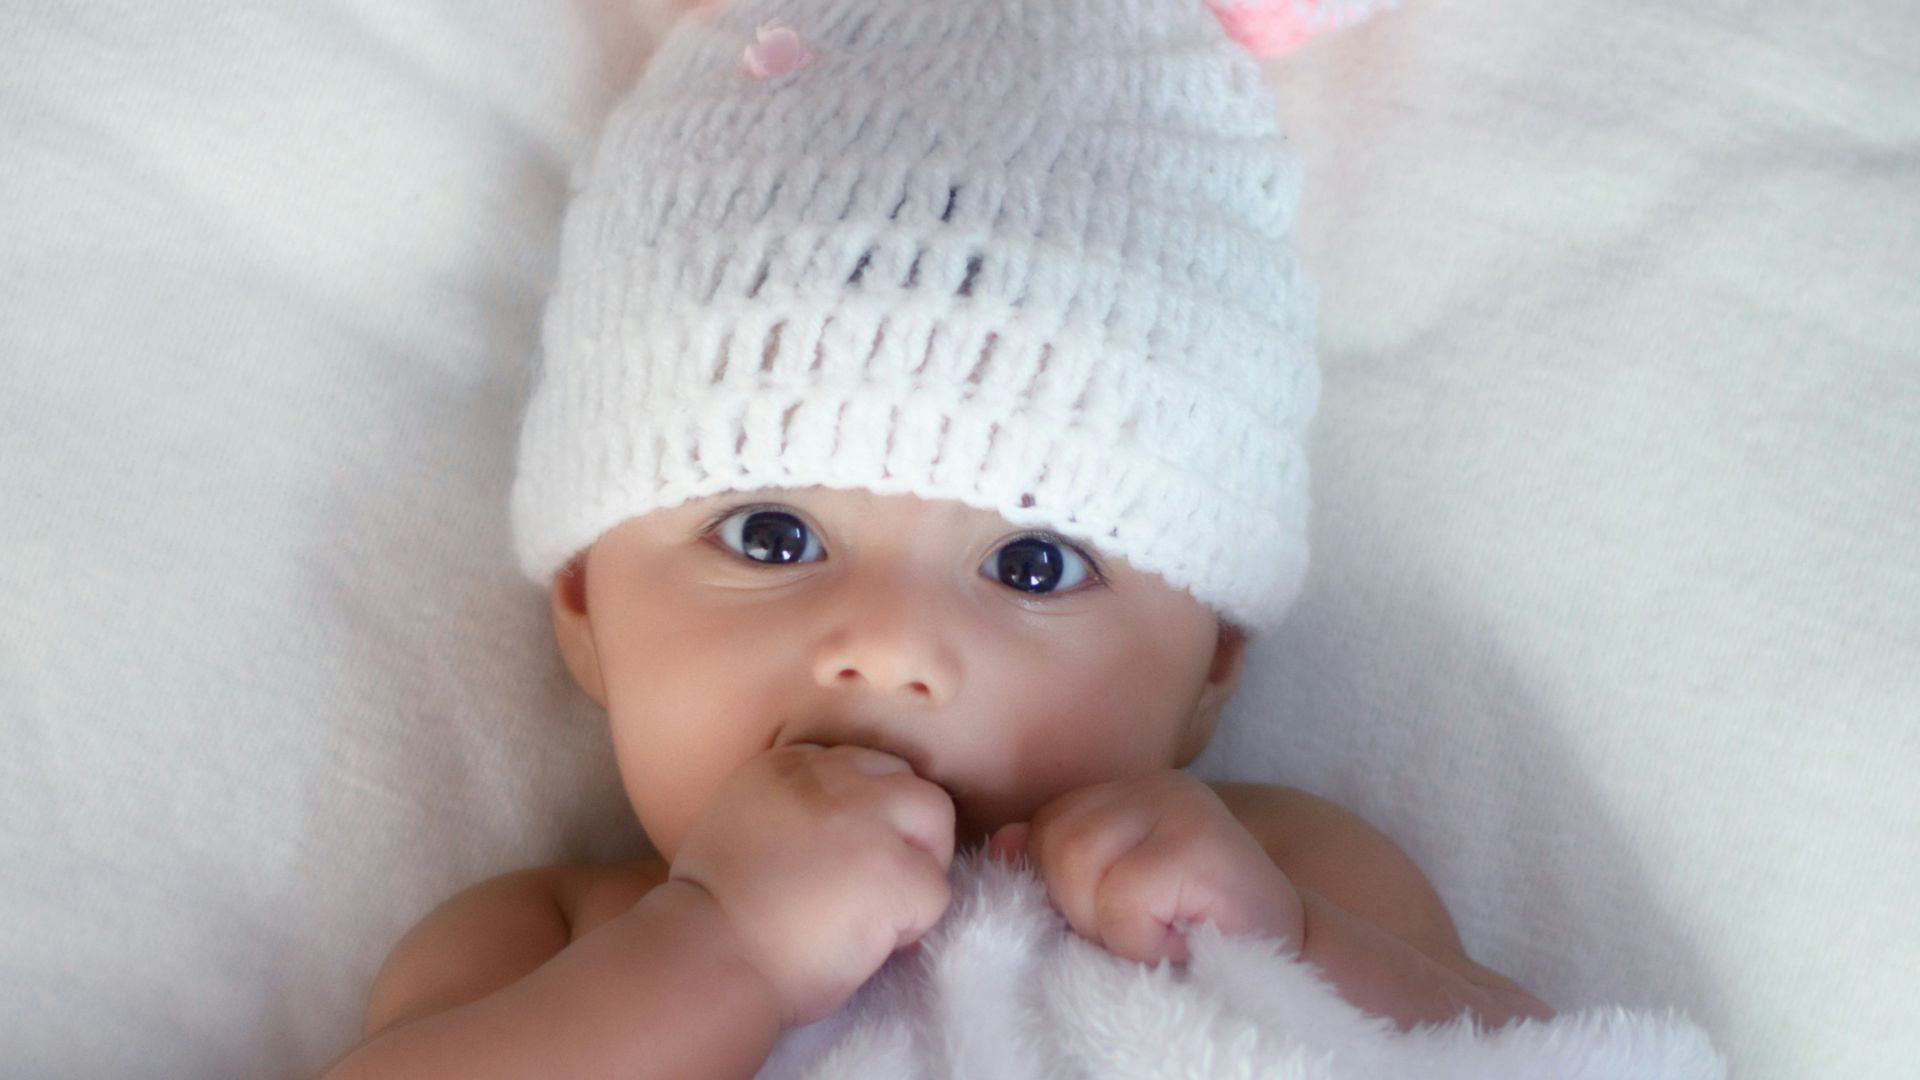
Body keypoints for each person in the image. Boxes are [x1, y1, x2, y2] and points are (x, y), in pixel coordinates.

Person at [323, 1, 1549, 1075]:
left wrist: (1288, 947)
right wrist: (723, 950)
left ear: (1212, 665)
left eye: (1033, 564)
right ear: (586, 605)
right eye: (769, 533)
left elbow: (1542, 1060)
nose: (889, 645)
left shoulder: (1285, 871)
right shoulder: (555, 943)